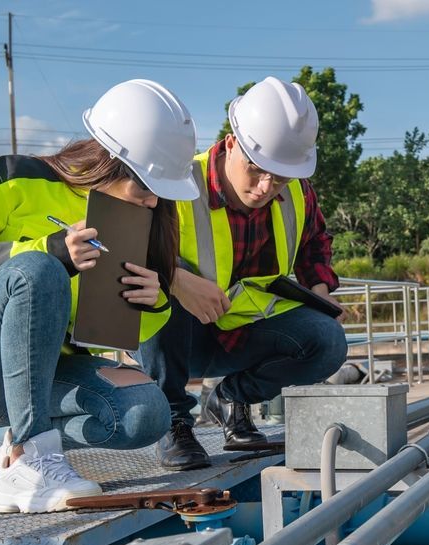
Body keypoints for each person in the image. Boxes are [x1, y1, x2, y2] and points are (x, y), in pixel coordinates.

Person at [0, 79, 200, 513]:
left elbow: (108, 333)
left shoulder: (133, 219)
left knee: (146, 414)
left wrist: (153, 303)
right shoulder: (8, 178)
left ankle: (17, 447)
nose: (153, 202)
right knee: (40, 269)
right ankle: (32, 460)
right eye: (146, 187)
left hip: (36, 381)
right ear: (111, 161)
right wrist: (47, 250)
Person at [136, 76, 348, 471]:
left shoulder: (298, 191)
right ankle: (174, 422)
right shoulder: (176, 182)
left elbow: (314, 240)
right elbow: (126, 249)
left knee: (328, 341)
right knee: (159, 292)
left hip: (243, 332)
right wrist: (178, 280)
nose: (266, 187)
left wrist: (320, 290)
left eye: (280, 177)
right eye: (256, 170)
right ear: (232, 143)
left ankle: (233, 400)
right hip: (177, 335)